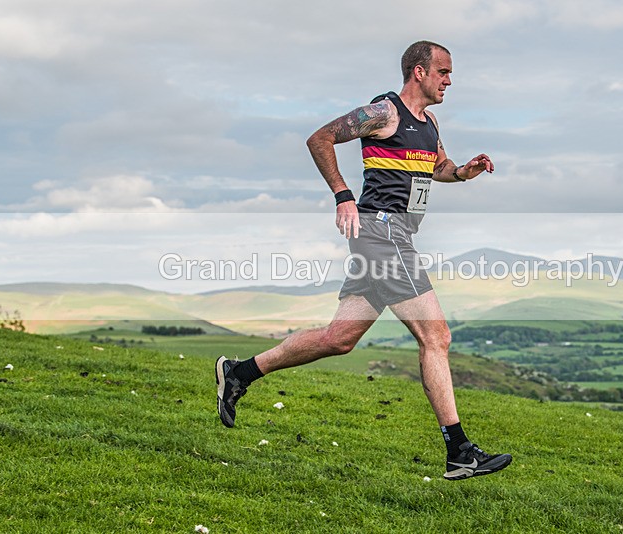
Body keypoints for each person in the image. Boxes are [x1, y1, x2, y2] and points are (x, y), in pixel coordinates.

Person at [216, 40, 512, 480]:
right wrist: (343, 195)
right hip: (382, 233)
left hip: (394, 236)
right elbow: (320, 138)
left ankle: (239, 373)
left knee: (339, 338)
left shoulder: (428, 123)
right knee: (438, 337)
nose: (449, 80)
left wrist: (463, 171)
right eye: (444, 72)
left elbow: (437, 167)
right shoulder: (383, 113)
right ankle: (459, 451)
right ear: (419, 72)